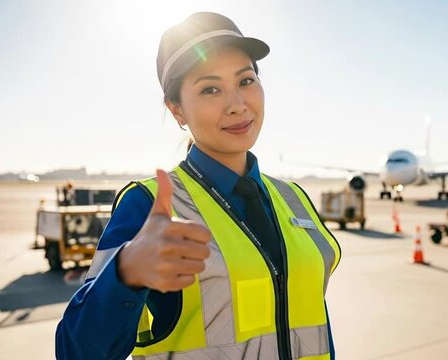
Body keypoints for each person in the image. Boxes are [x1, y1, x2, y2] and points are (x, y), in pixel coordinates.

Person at [55, 12, 341, 360]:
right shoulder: (147, 205)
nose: (237, 105)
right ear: (177, 110)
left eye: (246, 81)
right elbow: (76, 351)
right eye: (210, 89)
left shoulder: (294, 198)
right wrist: (125, 272)